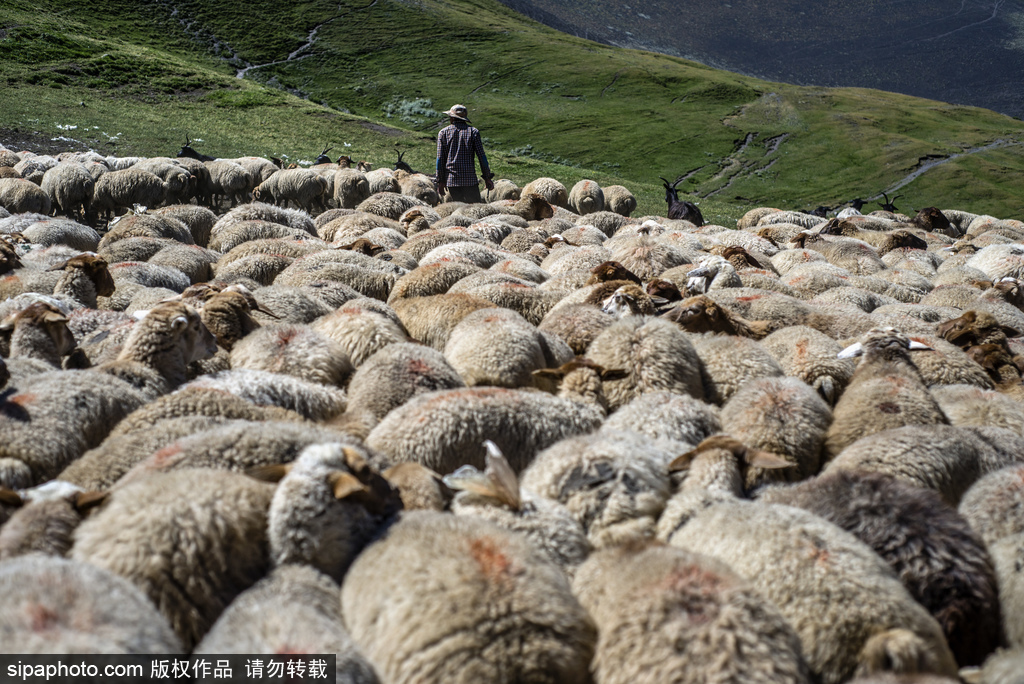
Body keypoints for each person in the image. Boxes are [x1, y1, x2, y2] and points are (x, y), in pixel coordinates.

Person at [436, 104, 494, 203]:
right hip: (470, 180)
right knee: (475, 210)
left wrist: (440, 181)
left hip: (452, 181)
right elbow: (482, 157)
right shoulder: (473, 132)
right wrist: (487, 177)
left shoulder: (443, 133)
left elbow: (440, 159)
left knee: (458, 211)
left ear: (452, 118)